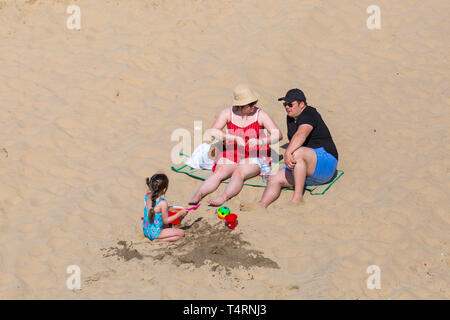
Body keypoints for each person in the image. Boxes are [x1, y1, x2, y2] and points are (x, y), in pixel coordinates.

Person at [189, 84, 282, 206]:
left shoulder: (260, 114)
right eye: (251, 104)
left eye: (255, 102)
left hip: (255, 154)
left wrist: (261, 141)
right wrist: (234, 138)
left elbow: (278, 134)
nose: (254, 106)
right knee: (219, 172)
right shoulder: (228, 113)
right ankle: (199, 194)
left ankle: (223, 197)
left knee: (239, 172)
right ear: (241, 106)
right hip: (233, 152)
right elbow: (213, 131)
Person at [259, 88, 338, 206]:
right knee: (273, 177)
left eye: (290, 104)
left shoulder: (309, 113)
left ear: (302, 104)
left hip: (325, 163)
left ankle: (297, 198)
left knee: (296, 153)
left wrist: (287, 153)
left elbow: (302, 133)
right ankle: (261, 204)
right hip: (306, 171)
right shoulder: (290, 118)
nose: (287, 107)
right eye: (285, 104)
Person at [143, 173, 188, 242]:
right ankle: (159, 240)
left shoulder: (147, 195)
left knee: (166, 226)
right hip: (155, 233)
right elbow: (166, 221)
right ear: (164, 190)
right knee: (181, 233)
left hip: (146, 230)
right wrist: (179, 213)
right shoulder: (163, 203)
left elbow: (154, 209)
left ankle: (157, 237)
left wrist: (168, 208)